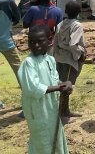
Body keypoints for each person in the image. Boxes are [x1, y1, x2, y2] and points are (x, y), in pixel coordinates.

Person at [18, 24, 72, 154]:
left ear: (50, 40)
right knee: (42, 141)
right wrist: (59, 87)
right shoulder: (28, 63)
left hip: (51, 107)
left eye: (40, 41)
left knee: (55, 136)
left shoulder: (50, 60)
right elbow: (32, 88)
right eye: (32, 42)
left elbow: (55, 81)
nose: (36, 45)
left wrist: (65, 85)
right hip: (37, 110)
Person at [53, 0, 86, 123]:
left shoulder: (60, 24)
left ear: (65, 11)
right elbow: (73, 44)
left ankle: (66, 111)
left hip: (59, 58)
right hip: (69, 60)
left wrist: (55, 56)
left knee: (62, 84)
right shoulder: (77, 26)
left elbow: (55, 42)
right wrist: (79, 54)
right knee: (66, 87)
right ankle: (63, 116)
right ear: (79, 12)